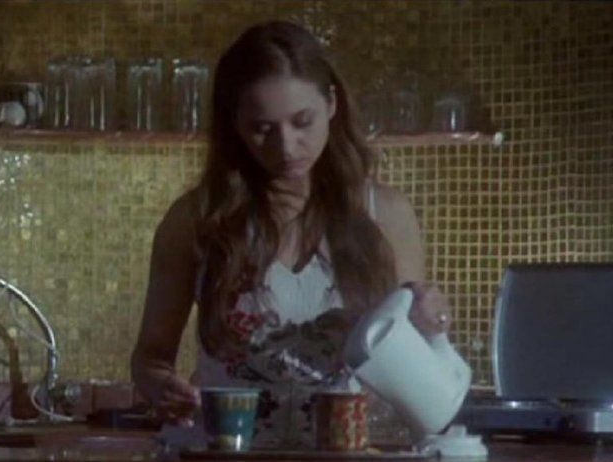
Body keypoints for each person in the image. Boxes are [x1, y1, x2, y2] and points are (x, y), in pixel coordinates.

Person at [131, 20, 453, 449]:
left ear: (331, 104)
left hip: (345, 451)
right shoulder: (196, 219)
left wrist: (433, 318)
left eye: (303, 122)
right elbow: (150, 358)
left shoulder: (385, 214)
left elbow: (417, 346)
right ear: (234, 125)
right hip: (226, 450)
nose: (286, 147)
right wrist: (162, 389)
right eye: (262, 128)